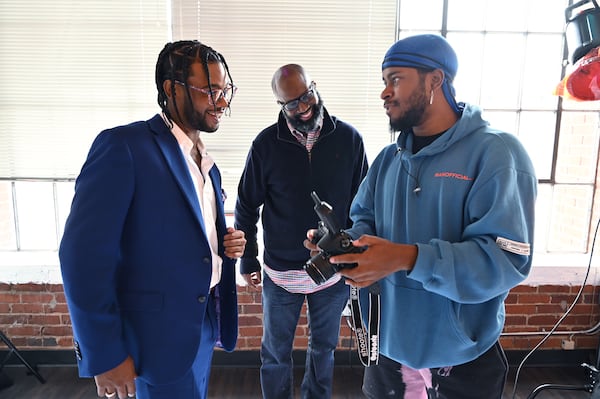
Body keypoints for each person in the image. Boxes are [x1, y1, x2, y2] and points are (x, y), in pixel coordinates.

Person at [309, 34, 537, 399]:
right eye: (384, 82)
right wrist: (343, 247)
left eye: (395, 79)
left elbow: (505, 260)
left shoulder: (496, 154)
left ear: (435, 80)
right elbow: (365, 223)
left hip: (461, 359)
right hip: (387, 350)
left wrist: (407, 257)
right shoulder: (387, 161)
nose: (385, 92)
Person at [59, 40, 246, 399]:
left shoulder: (208, 164)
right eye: (209, 90)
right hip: (151, 338)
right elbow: (81, 257)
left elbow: (181, 232)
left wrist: (224, 243)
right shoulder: (124, 147)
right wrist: (104, 354)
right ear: (171, 89)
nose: (221, 102)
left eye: (224, 91)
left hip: (202, 325)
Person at [235, 64, 368, 399]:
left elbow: (364, 205)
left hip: (333, 273)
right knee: (276, 356)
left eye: (308, 95)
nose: (305, 107)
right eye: (293, 104)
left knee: (323, 352)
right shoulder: (266, 145)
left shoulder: (349, 139)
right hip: (281, 274)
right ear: (281, 105)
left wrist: (355, 254)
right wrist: (248, 260)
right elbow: (246, 205)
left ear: (314, 87)